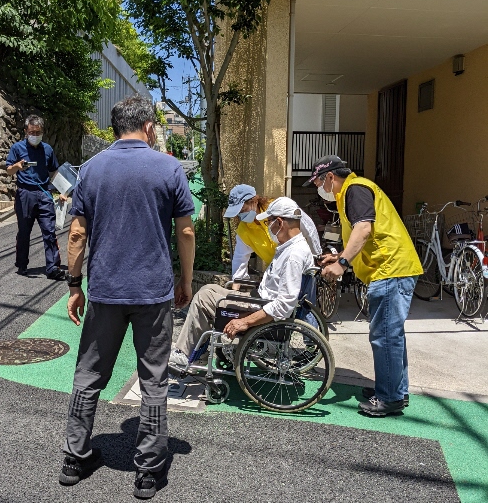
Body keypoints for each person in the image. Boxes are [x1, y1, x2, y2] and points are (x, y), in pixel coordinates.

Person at [59, 94, 195, 500]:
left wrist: (73, 284)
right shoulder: (168, 167)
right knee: (154, 379)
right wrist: (185, 281)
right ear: (149, 127)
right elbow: (186, 231)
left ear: (116, 127)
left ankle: (74, 457)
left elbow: (78, 233)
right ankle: (148, 470)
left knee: (88, 375)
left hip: (104, 290)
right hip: (152, 292)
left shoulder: (92, 169)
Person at [303, 155, 422, 417]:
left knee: (385, 336)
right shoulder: (355, 190)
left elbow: (364, 229)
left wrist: (342, 263)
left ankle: (389, 398)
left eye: (319, 182)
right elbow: (364, 236)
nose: (319, 189)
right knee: (392, 335)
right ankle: (393, 389)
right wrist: (338, 255)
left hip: (390, 270)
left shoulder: (354, 190)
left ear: (331, 177)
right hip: (392, 268)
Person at [170, 197, 313, 370]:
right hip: (259, 300)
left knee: (203, 298)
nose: (268, 226)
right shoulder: (291, 247)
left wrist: (245, 322)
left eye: (269, 222)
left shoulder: (293, 256)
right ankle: (196, 353)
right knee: (208, 289)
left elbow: (284, 305)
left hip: (261, 308)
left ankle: (186, 354)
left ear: (280, 223)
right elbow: (240, 260)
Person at [6, 115, 66, 281]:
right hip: (25, 193)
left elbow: (54, 172)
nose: (35, 135)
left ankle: (53, 268)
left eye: (38, 132)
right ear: (26, 131)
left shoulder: (47, 149)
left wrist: (62, 191)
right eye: (32, 132)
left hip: (44, 193)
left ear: (43, 132)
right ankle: (22, 264)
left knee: (49, 231)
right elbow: (8, 170)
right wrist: (17, 166)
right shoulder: (17, 148)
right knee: (24, 231)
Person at [224, 185, 321, 281]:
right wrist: (237, 281)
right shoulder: (244, 230)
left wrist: (316, 257)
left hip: (301, 263)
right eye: (239, 213)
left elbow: (308, 229)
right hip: (277, 272)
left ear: (254, 201)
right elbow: (240, 258)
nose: (241, 215)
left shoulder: (278, 208)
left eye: (244, 210)